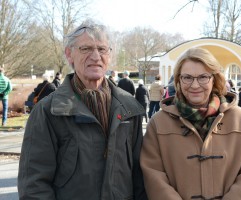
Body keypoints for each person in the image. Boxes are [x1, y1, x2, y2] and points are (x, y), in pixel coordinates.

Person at [18, 19, 147, 200]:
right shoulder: (47, 111)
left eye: (102, 49)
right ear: (69, 54)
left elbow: (140, 179)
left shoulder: (130, 108)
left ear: (109, 56)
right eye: (86, 49)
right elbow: (34, 185)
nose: (95, 56)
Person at [140, 48, 241, 199]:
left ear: (214, 79)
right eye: (187, 77)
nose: (194, 85)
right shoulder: (158, 123)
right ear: (179, 80)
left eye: (203, 77)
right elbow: (154, 175)